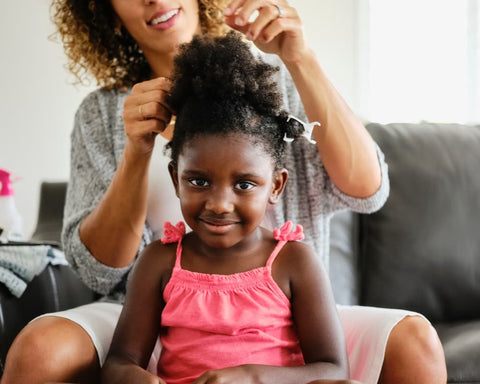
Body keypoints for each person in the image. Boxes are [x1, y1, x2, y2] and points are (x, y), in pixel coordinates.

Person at [1, 0, 446, 383]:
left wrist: (300, 57)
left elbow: (368, 193)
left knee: (415, 340)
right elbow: (98, 272)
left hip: (290, 317)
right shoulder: (100, 114)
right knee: (40, 348)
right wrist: (136, 150)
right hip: (148, 316)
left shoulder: (276, 86)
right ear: (105, 11)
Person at [102, 32, 352, 384]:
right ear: (176, 179)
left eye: (245, 184)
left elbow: (333, 369)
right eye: (199, 181)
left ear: (275, 187)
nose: (219, 204)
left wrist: (251, 377)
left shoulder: (294, 262)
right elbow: (118, 363)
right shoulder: (158, 261)